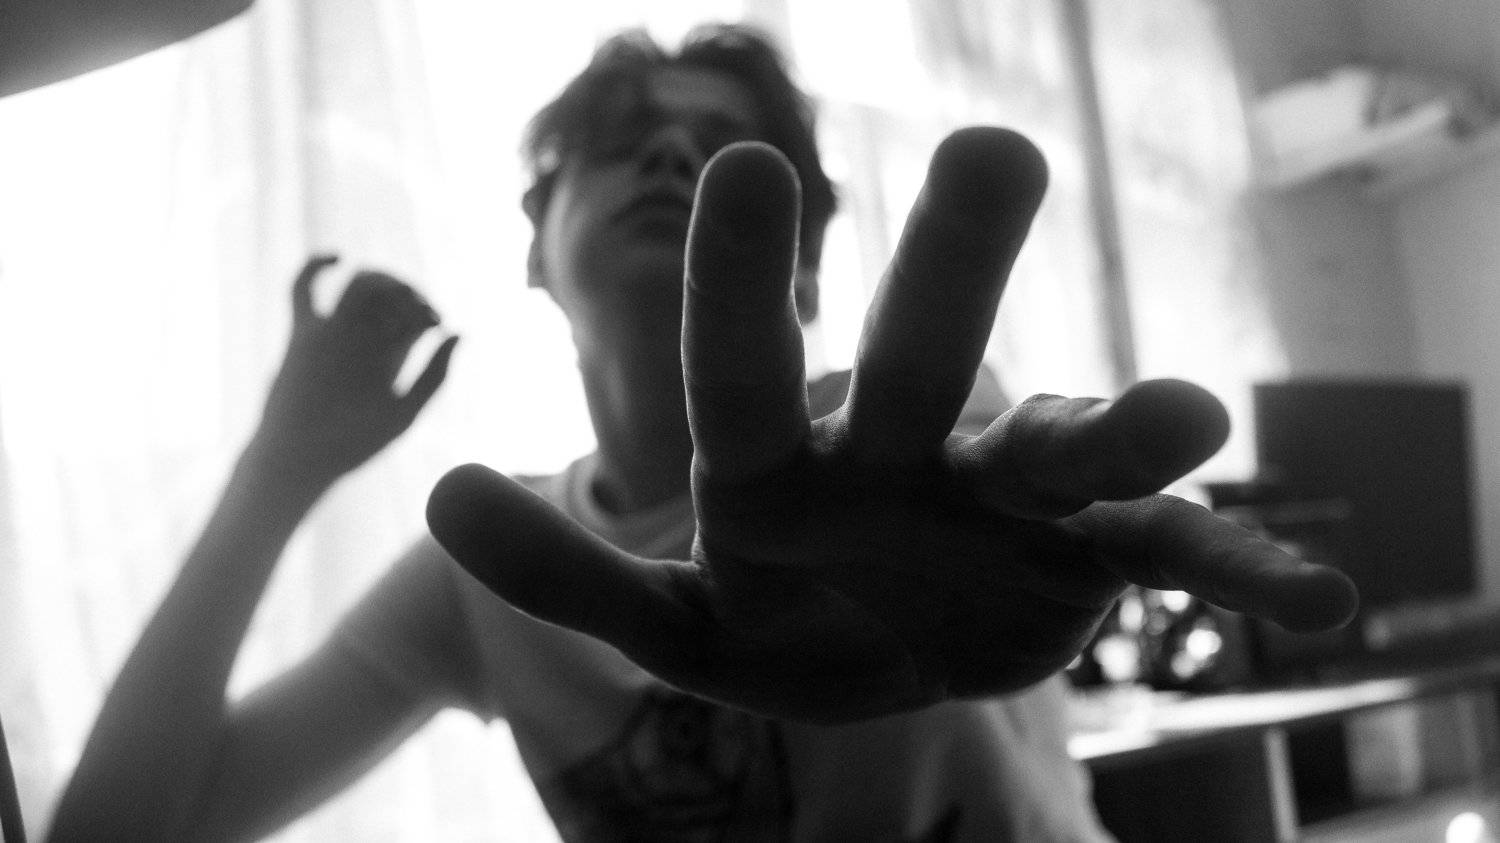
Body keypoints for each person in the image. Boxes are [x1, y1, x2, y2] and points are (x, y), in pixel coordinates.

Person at [49, 24, 1355, 842]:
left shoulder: (902, 444)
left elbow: (979, 478)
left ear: (806, 270)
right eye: (623, 142)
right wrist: (279, 469)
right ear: (536, 252)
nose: (673, 158)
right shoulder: (492, 569)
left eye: (727, 148)